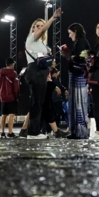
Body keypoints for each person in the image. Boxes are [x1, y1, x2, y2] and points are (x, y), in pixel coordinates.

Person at [22, 9, 63, 139]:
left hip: (42, 72)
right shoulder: (31, 38)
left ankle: (33, 130)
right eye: (37, 26)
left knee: (39, 102)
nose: (40, 28)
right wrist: (53, 18)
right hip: (35, 71)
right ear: (33, 28)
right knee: (36, 102)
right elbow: (44, 30)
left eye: (41, 26)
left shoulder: (42, 44)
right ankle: (33, 132)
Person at [62, 23, 91, 139]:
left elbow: (84, 57)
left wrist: (71, 56)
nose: (69, 36)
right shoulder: (80, 42)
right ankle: (76, 130)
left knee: (78, 103)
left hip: (78, 77)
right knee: (76, 103)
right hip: (77, 76)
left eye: (70, 33)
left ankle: (80, 131)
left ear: (75, 31)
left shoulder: (82, 42)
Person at [0, 56, 20, 139]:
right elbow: (16, 86)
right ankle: (10, 132)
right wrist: (16, 95)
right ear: (12, 64)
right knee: (11, 114)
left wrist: (0, 92)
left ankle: (2, 133)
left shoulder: (0, 72)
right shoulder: (13, 73)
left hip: (2, 97)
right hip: (11, 96)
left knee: (3, 115)